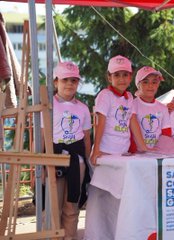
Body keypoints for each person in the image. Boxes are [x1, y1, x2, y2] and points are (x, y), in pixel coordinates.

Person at [85, 55, 148, 240]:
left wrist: (143, 147)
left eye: (126, 75)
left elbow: (133, 121)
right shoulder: (105, 95)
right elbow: (100, 122)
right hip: (105, 154)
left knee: (117, 200)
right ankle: (95, 235)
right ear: (109, 77)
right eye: (117, 75)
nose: (122, 79)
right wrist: (96, 150)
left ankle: (114, 234)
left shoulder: (129, 97)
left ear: (131, 77)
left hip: (121, 155)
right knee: (99, 199)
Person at [48, 61, 92, 239]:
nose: (69, 84)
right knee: (53, 206)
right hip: (54, 159)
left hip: (77, 162)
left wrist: (88, 163)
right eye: (65, 79)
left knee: (71, 206)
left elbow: (86, 138)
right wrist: (41, 164)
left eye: (74, 80)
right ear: (55, 82)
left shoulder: (82, 108)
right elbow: (43, 135)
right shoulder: (49, 105)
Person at [132, 66, 172, 149]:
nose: (150, 86)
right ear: (138, 85)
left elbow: (166, 134)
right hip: (135, 156)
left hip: (157, 154)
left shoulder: (163, 108)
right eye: (145, 82)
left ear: (158, 84)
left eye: (154, 82)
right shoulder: (132, 104)